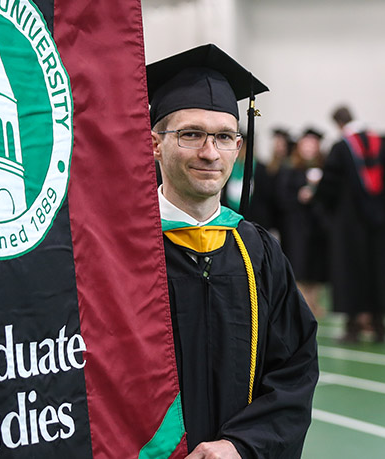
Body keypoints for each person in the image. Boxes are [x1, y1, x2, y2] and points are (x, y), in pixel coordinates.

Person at [146, 44, 319, 458]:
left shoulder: (257, 251)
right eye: (191, 134)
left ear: (238, 148)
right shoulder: (125, 251)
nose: (210, 152)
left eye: (224, 137)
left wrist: (241, 445)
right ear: (154, 143)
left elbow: (295, 368)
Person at [314, 105, 385, 343]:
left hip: (349, 225)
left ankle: (352, 327)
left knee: (350, 271)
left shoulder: (341, 148)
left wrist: (324, 211)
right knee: (377, 271)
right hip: (379, 223)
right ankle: (379, 325)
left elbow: (328, 188)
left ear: (338, 123)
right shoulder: (380, 144)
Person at [274, 127, 329, 316]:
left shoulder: (324, 167)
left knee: (316, 266)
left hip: (317, 226)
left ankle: (314, 302)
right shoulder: (289, 168)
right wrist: (298, 197)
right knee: (299, 264)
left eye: (313, 144)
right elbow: (280, 198)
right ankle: (303, 303)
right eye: (306, 144)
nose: (310, 148)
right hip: (296, 225)